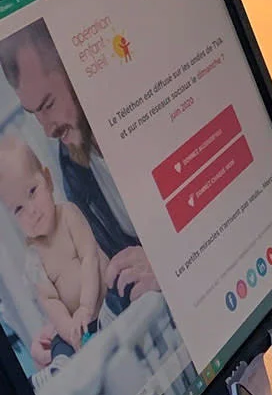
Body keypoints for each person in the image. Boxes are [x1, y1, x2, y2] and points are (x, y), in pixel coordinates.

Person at [0, 19, 161, 362]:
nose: (47, 129)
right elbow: (112, 283)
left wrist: (169, 264)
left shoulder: (152, 111)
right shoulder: (73, 168)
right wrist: (66, 332)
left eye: (48, 105)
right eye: (34, 113)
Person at [0, 136, 116, 364]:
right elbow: (50, 302)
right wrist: (70, 330)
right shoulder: (33, 259)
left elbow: (89, 258)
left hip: (104, 299)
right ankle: (61, 365)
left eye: (32, 191)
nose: (31, 211)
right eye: (19, 209)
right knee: (57, 344)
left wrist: (86, 307)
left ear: (48, 180)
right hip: (80, 325)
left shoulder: (68, 215)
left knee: (120, 280)